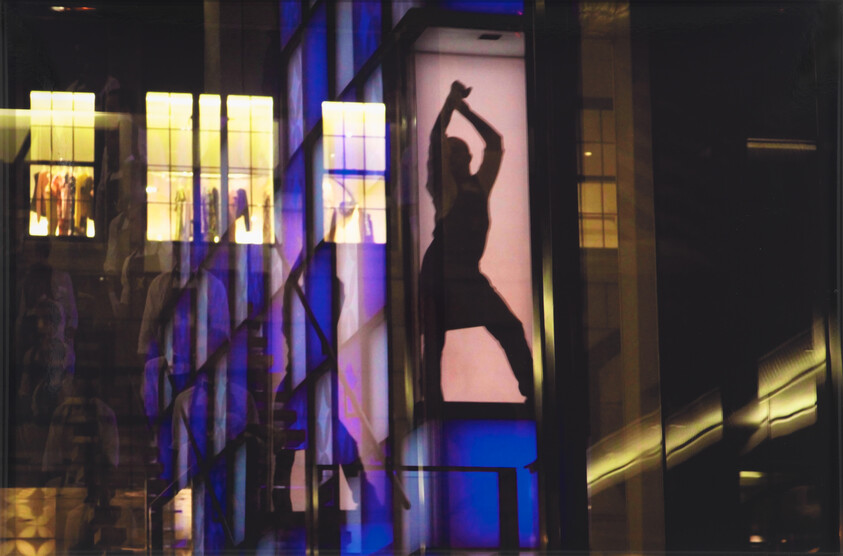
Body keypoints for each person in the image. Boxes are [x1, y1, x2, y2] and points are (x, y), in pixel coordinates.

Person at [420, 80, 533, 405]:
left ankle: (532, 391)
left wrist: (465, 111)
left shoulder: (479, 184)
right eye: (455, 154)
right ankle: (433, 402)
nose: (461, 158)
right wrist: (450, 104)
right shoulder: (443, 190)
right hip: (440, 273)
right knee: (435, 339)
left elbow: (494, 141)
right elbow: (434, 140)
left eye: (463, 153)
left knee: (509, 326)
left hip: (468, 275)